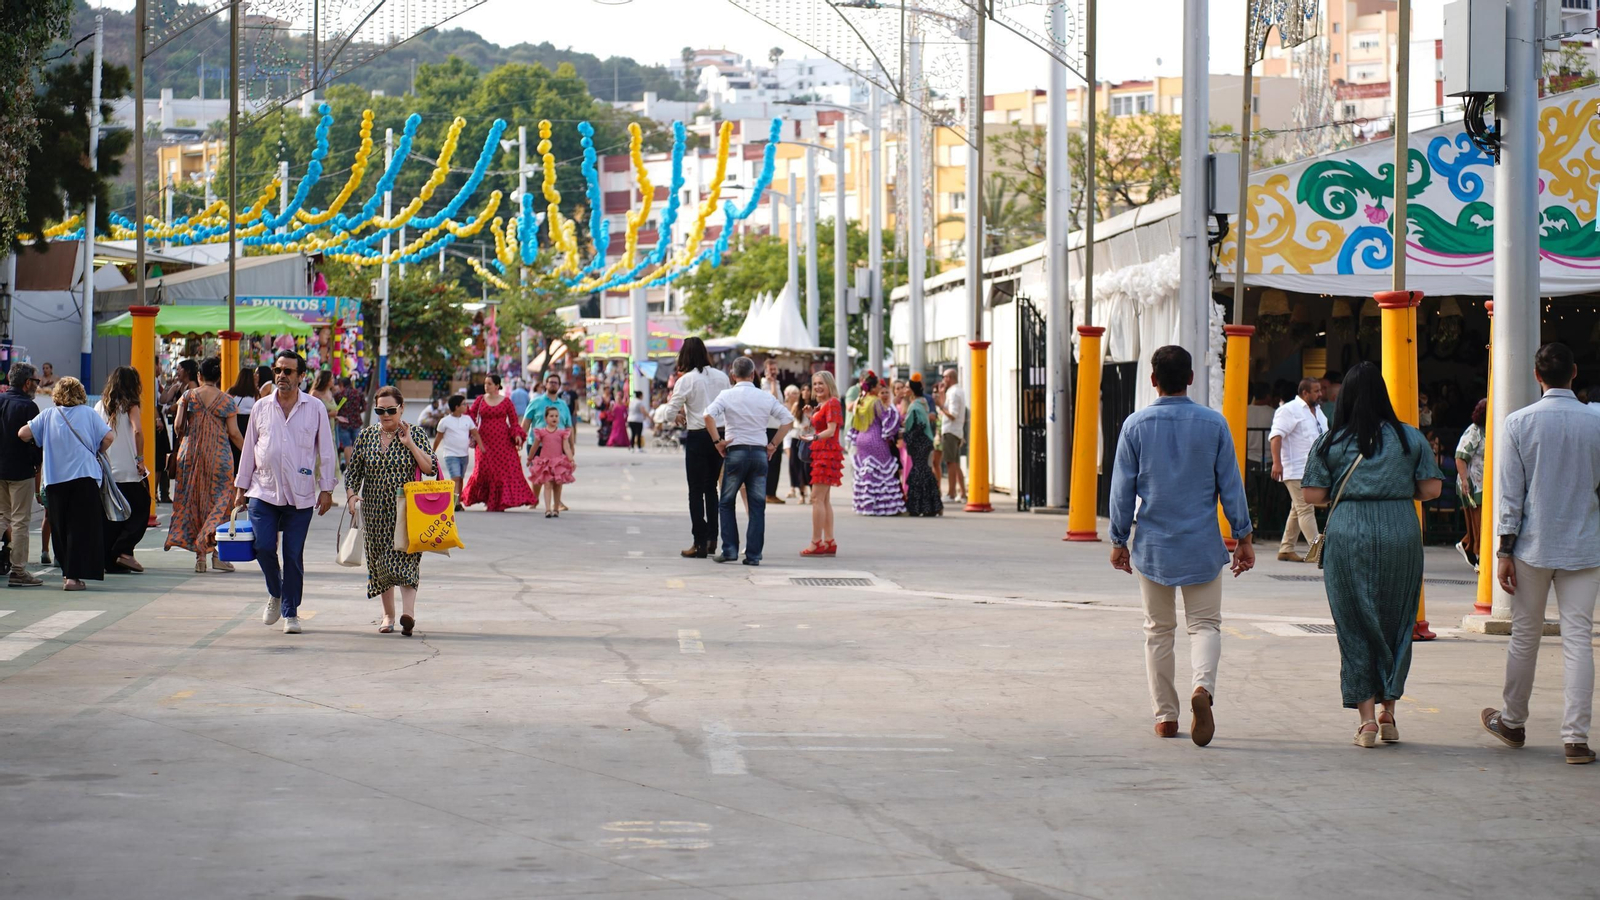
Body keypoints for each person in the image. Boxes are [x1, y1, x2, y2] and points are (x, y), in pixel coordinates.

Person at [1107, 346, 1255, 746]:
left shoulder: (1135, 426)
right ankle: (1202, 690)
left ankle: (1166, 717)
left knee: (1159, 631)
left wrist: (1119, 540)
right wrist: (1244, 536)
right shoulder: (1214, 424)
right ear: (1191, 378)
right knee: (1205, 625)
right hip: (1201, 544)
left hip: (1153, 545)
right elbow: (1231, 485)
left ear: (1153, 380)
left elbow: (1122, 490)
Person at [1300, 362, 1442, 748]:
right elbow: (1431, 489)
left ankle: (1366, 723)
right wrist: (1396, 489)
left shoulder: (1330, 441)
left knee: (1354, 623)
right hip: (1400, 530)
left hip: (1348, 531)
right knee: (1397, 621)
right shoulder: (1409, 438)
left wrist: (1348, 494)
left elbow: (1312, 494)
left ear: (1342, 397)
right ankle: (1390, 712)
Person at [1480, 343, 1600, 766]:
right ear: (1574, 372)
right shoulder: (1597, 420)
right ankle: (1576, 739)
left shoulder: (1518, 423)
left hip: (1532, 545)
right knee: (1578, 641)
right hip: (1585, 544)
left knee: (1525, 636)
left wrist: (1504, 550)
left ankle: (1512, 721)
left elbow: (1510, 496)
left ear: (1537, 376)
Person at [234, 350, 337, 634]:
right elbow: (249, 449)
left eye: (288, 371)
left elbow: (326, 452)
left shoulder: (315, 407)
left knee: (292, 555)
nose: (281, 375)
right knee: (264, 547)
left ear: (301, 377)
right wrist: (241, 488)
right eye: (278, 370)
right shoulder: (261, 407)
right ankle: (276, 592)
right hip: (262, 490)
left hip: (301, 494)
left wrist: (326, 488)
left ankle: (291, 612)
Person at [345, 385, 437, 637]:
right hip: (374, 512)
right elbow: (353, 473)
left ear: (401, 408)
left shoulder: (415, 433)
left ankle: (408, 614)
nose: (385, 415)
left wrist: (410, 445)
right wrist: (352, 495)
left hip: (406, 510)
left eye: (390, 410)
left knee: (407, 560)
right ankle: (388, 615)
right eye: (380, 410)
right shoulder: (366, 436)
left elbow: (431, 468)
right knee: (380, 564)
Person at [19, 378, 114, 591]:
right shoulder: (88, 413)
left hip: (55, 480)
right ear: (80, 393)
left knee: (60, 528)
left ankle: (67, 575)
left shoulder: (49, 415)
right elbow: (109, 437)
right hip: (85, 477)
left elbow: (23, 433)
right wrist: (95, 449)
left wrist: (44, 440)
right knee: (82, 528)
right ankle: (75, 577)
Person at [704, 356, 794, 566]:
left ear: (733, 376)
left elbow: (707, 416)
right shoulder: (765, 397)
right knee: (756, 506)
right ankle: (753, 555)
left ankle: (730, 550)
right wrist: (773, 444)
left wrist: (718, 441)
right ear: (753, 375)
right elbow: (788, 420)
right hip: (759, 454)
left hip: (736, 452)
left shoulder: (726, 395)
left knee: (726, 503)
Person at [165, 357, 244, 574]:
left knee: (194, 502)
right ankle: (217, 555)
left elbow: (179, 425)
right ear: (219, 377)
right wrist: (250, 453)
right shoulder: (227, 400)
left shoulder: (188, 396)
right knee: (221, 503)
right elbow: (234, 433)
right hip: (219, 456)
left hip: (190, 455)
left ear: (199, 376)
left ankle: (200, 558)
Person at [660, 337, 731, 558]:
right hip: (719, 434)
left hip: (698, 436)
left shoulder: (687, 380)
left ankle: (698, 542)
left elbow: (669, 412)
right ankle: (712, 539)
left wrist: (680, 417)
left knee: (695, 491)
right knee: (712, 489)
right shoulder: (722, 377)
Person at [95, 367, 151, 574]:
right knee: (141, 507)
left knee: (112, 514)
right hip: (129, 468)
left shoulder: (101, 405)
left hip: (107, 468)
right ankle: (123, 550)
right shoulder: (130, 405)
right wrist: (140, 459)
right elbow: (137, 431)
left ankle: (110, 560)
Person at [1269, 377, 1328, 562]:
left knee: (1298, 508)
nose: (1320, 394)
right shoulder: (1289, 410)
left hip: (1313, 468)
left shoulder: (1318, 411)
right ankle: (1317, 552)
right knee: (1305, 508)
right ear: (1305, 393)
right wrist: (1277, 463)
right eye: (1316, 391)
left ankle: (1286, 548)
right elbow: (1276, 437)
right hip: (1295, 468)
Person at [461, 373, 537, 512]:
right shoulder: (480, 400)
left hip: (503, 442)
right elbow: (471, 416)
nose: (486, 386)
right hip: (484, 441)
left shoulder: (506, 401)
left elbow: (514, 422)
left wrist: (518, 436)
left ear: (497, 386)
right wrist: (464, 413)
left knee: (503, 471)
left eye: (489, 384)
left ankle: (500, 502)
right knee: (483, 470)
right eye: (485, 383)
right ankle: (486, 499)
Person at [0, 363, 43, 586]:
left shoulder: (1, 401)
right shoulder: (29, 407)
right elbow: (34, 441)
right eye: (36, 381)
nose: (37, 385)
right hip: (21, 470)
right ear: (27, 383)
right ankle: (18, 571)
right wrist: (37, 464)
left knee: (2, 516)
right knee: (20, 521)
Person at [849, 371, 906, 516]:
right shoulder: (875, 401)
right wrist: (893, 411)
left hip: (861, 439)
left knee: (867, 472)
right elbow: (887, 419)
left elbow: (854, 423)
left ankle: (865, 504)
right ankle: (883, 506)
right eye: (878, 386)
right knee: (882, 471)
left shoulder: (860, 401)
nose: (880, 389)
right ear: (873, 387)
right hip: (875, 439)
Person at [803, 370, 843, 557]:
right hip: (822, 452)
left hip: (827, 453)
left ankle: (816, 542)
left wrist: (814, 436)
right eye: (815, 384)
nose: (817, 387)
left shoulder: (833, 403)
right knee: (824, 499)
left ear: (829, 385)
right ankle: (829, 540)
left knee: (816, 498)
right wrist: (811, 417)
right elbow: (821, 427)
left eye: (821, 383)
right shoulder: (824, 404)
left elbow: (831, 430)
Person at [157, 359, 199, 504]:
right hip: (179, 429)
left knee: (185, 459)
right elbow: (163, 400)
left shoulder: (192, 387)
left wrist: (172, 408)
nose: (177, 371)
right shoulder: (179, 385)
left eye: (179, 369)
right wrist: (170, 386)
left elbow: (180, 404)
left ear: (187, 371)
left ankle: (188, 491)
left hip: (187, 429)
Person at [1454, 399, 1488, 571]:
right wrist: (1464, 479)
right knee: (1478, 522)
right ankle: (1479, 558)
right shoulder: (1474, 431)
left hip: (1484, 484)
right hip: (1474, 484)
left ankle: (1466, 544)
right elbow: (1460, 456)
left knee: (1482, 523)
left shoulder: (1489, 430)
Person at [901, 376, 943, 517]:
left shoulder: (914, 406)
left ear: (912, 391)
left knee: (920, 473)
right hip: (925, 441)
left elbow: (915, 425)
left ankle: (921, 506)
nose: (905, 390)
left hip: (919, 442)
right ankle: (931, 506)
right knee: (924, 471)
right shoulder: (923, 402)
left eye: (907, 387)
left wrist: (905, 435)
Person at [528, 405, 576, 518]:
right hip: (546, 463)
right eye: (551, 416)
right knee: (547, 484)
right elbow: (535, 447)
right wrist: (530, 458)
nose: (554, 418)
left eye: (556, 416)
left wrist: (571, 459)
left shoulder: (562, 433)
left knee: (557, 485)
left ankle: (556, 509)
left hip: (558, 462)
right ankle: (548, 509)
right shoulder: (541, 432)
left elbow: (566, 447)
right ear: (546, 418)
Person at [431, 395, 477, 510]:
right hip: (451, 455)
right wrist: (432, 452)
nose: (466, 406)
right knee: (455, 478)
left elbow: (475, 433)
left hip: (464, 455)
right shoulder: (445, 421)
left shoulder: (467, 419)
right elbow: (438, 438)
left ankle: (458, 501)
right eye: (463, 404)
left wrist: (481, 446)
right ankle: (453, 502)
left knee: (460, 479)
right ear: (456, 407)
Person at [938, 368, 966, 501]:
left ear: (950, 378)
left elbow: (953, 414)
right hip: (956, 431)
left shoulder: (954, 393)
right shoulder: (956, 391)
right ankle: (962, 493)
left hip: (951, 430)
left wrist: (940, 406)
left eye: (944, 377)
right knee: (954, 463)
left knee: (950, 462)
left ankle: (951, 493)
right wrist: (942, 395)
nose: (943, 379)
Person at [761, 358, 786, 504]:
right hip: (767, 428)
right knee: (768, 461)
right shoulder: (764, 385)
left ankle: (772, 492)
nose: (773, 372)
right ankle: (766, 493)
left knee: (776, 462)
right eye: (771, 369)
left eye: (775, 369)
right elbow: (773, 401)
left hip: (777, 427)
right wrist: (771, 383)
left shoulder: (777, 384)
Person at [227, 366, 258, 470]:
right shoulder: (255, 393)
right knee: (248, 455)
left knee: (235, 454)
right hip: (249, 425)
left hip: (235, 423)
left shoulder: (231, 391)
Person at [784, 385, 810, 503]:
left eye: (808, 390)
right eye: (803, 390)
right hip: (796, 437)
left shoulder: (815, 406)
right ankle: (801, 493)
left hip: (809, 438)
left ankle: (810, 489)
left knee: (808, 467)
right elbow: (791, 421)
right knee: (796, 466)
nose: (805, 392)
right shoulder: (796, 406)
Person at [333, 376, 365, 469]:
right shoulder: (359, 393)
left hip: (344, 423)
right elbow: (365, 407)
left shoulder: (339, 394)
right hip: (356, 422)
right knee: (358, 445)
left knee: (347, 445)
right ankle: (358, 466)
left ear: (342, 385)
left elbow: (335, 407)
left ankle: (350, 466)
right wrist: (357, 412)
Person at [1245, 382, 1277, 470]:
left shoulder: (1244, 411)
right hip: (1270, 459)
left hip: (1249, 458)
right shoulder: (1274, 413)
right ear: (1268, 396)